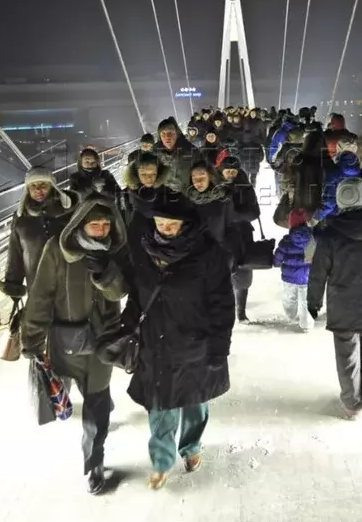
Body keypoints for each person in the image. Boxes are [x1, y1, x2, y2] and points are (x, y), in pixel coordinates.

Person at [121, 195, 235, 490]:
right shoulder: (145, 249)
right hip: (155, 343)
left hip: (195, 341)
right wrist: (127, 323)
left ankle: (191, 446)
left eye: (171, 225)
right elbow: (138, 294)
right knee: (160, 405)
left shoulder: (208, 253)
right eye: (160, 224)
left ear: (187, 225)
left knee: (195, 401)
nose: (165, 230)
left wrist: (220, 345)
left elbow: (222, 302)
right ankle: (161, 461)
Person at [21, 197, 130, 495]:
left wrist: (104, 272)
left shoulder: (115, 251)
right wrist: (31, 339)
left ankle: (94, 462)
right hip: (65, 342)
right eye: (94, 224)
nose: (101, 229)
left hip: (102, 345)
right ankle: (99, 411)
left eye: (106, 224)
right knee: (64, 394)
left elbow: (121, 290)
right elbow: (41, 296)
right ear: (80, 223)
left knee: (96, 408)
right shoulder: (57, 250)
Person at [307, 178, 362, 419]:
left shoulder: (330, 233)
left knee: (347, 356)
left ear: (340, 199)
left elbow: (318, 271)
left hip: (343, 303)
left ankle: (351, 403)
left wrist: (313, 302)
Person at [0, 167, 77, 299]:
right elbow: (15, 252)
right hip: (37, 284)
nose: (38, 189)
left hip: (71, 282)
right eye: (32, 186)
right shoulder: (21, 218)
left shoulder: (69, 211)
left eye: (43, 185)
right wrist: (13, 283)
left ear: (52, 186)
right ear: (27, 190)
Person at [220, 156, 261, 322]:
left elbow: (255, 212)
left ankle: (241, 311)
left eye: (233, 171)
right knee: (220, 273)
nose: (230, 174)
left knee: (242, 275)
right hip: (220, 237)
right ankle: (223, 309)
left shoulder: (245, 187)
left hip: (242, 237)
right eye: (227, 170)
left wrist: (236, 216)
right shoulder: (214, 186)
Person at [274, 208, 315, 332]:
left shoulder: (286, 241)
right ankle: (306, 324)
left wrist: (276, 263)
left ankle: (291, 315)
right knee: (306, 301)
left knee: (289, 297)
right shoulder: (312, 240)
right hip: (307, 277)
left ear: (291, 223)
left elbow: (278, 258)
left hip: (289, 276)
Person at [315, 134, 362, 223]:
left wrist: (317, 217)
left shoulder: (333, 174)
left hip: (337, 217)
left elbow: (329, 202)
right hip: (357, 216)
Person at [155, 117, 196, 192]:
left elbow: (203, 170)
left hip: (185, 192)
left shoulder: (191, 151)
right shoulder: (154, 154)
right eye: (163, 134)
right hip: (164, 193)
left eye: (171, 133)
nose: (168, 137)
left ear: (177, 134)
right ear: (160, 137)